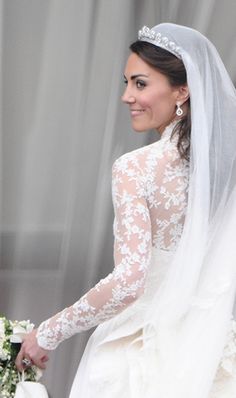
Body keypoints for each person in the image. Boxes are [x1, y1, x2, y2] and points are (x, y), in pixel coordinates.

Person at [16, 23, 236, 398]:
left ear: (182, 90)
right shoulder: (224, 175)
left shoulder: (136, 167)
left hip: (139, 350)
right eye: (126, 82)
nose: (126, 96)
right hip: (211, 349)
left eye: (140, 83)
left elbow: (131, 280)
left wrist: (47, 333)